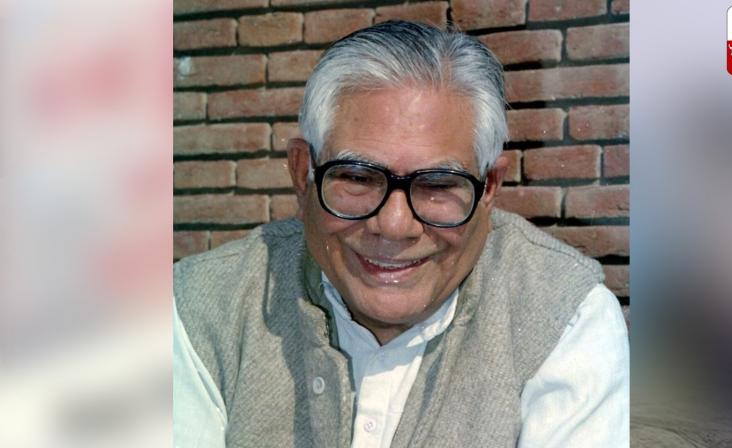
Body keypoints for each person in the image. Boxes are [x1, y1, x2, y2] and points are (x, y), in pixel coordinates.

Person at [173, 20, 628, 448]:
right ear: (302, 173)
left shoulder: (564, 316)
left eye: (438, 185)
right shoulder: (201, 310)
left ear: (489, 187)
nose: (393, 226)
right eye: (357, 177)